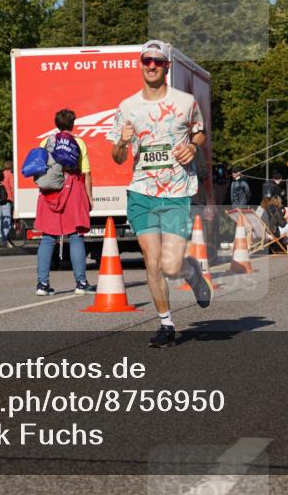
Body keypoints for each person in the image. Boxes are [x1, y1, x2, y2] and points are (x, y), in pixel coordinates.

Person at [108, 40, 210, 348]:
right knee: (152, 262)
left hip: (177, 192)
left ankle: (191, 272)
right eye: (146, 61)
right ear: (140, 64)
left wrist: (193, 146)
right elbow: (117, 157)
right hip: (141, 193)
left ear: (166, 66)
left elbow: (199, 131)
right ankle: (166, 324)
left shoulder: (185, 101)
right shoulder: (127, 107)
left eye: (157, 61)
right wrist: (122, 143)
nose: (151, 66)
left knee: (170, 265)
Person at [35, 109, 95, 295]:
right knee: (76, 236)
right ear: (73, 124)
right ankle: (81, 283)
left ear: (56, 123)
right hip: (73, 190)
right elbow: (85, 173)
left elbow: (40, 167)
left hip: (50, 192)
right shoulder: (79, 143)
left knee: (47, 238)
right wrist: (89, 197)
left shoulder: (46, 142)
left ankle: (42, 285)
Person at [0, 159, 16, 246]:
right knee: (7, 219)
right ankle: (3, 239)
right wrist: (15, 199)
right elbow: (13, 188)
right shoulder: (10, 175)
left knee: (0, 220)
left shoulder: (1, 174)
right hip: (7, 200)